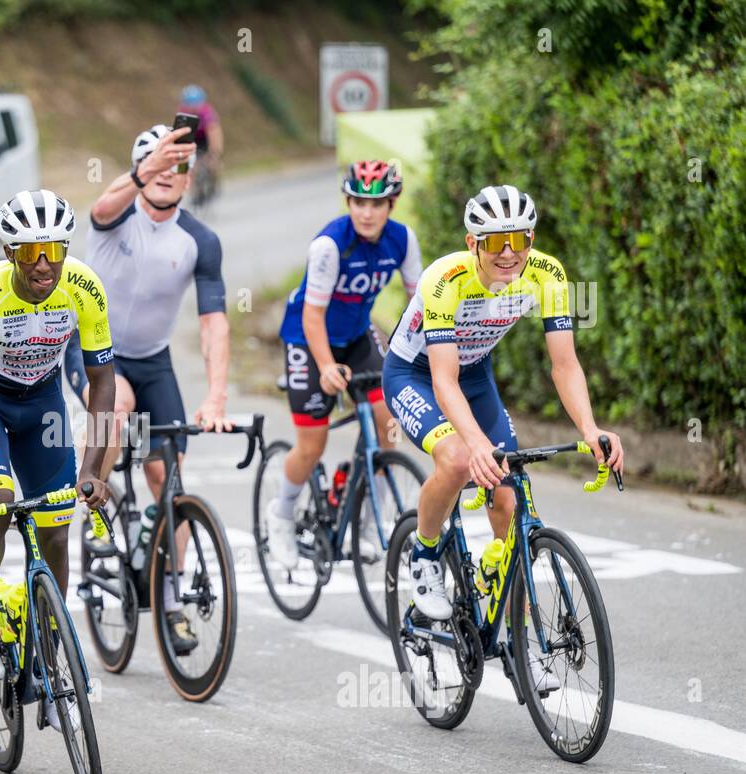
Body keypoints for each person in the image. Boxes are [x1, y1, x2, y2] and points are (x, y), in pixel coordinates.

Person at [382, 184, 624, 691]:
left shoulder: (548, 274)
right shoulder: (444, 281)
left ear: (531, 238)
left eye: (517, 239)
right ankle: (424, 555)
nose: (508, 252)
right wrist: (474, 446)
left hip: (474, 374)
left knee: (511, 506)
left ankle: (518, 644)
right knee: (453, 460)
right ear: (473, 245)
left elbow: (565, 364)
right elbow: (441, 381)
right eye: (494, 242)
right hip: (415, 374)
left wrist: (590, 429)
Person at [63, 122, 230, 654]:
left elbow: (213, 323)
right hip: (93, 351)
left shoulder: (201, 241)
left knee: (169, 479)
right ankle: (95, 510)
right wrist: (145, 167)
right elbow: (104, 202)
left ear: (190, 176)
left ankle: (174, 601)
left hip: (153, 359)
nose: (166, 175)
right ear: (138, 172)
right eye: (155, 165)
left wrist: (217, 395)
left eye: (177, 166)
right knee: (118, 408)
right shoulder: (115, 219)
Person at [0, 189, 116, 688]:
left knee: (56, 528)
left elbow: (103, 380)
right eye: (29, 252)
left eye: (54, 250)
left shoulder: (84, 287)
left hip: (43, 402)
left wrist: (92, 469)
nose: (44, 264)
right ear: (9, 254)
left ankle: (46, 636)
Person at [265, 161, 420, 569]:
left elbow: (419, 303)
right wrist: (327, 366)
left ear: (392, 203)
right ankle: (280, 516)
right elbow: (312, 316)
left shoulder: (402, 240)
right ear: (348, 202)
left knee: (388, 424)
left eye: (377, 204)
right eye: (357, 203)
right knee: (312, 445)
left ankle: (367, 523)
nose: (366, 213)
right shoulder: (330, 246)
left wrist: (421, 356)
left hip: (355, 335)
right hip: (307, 337)